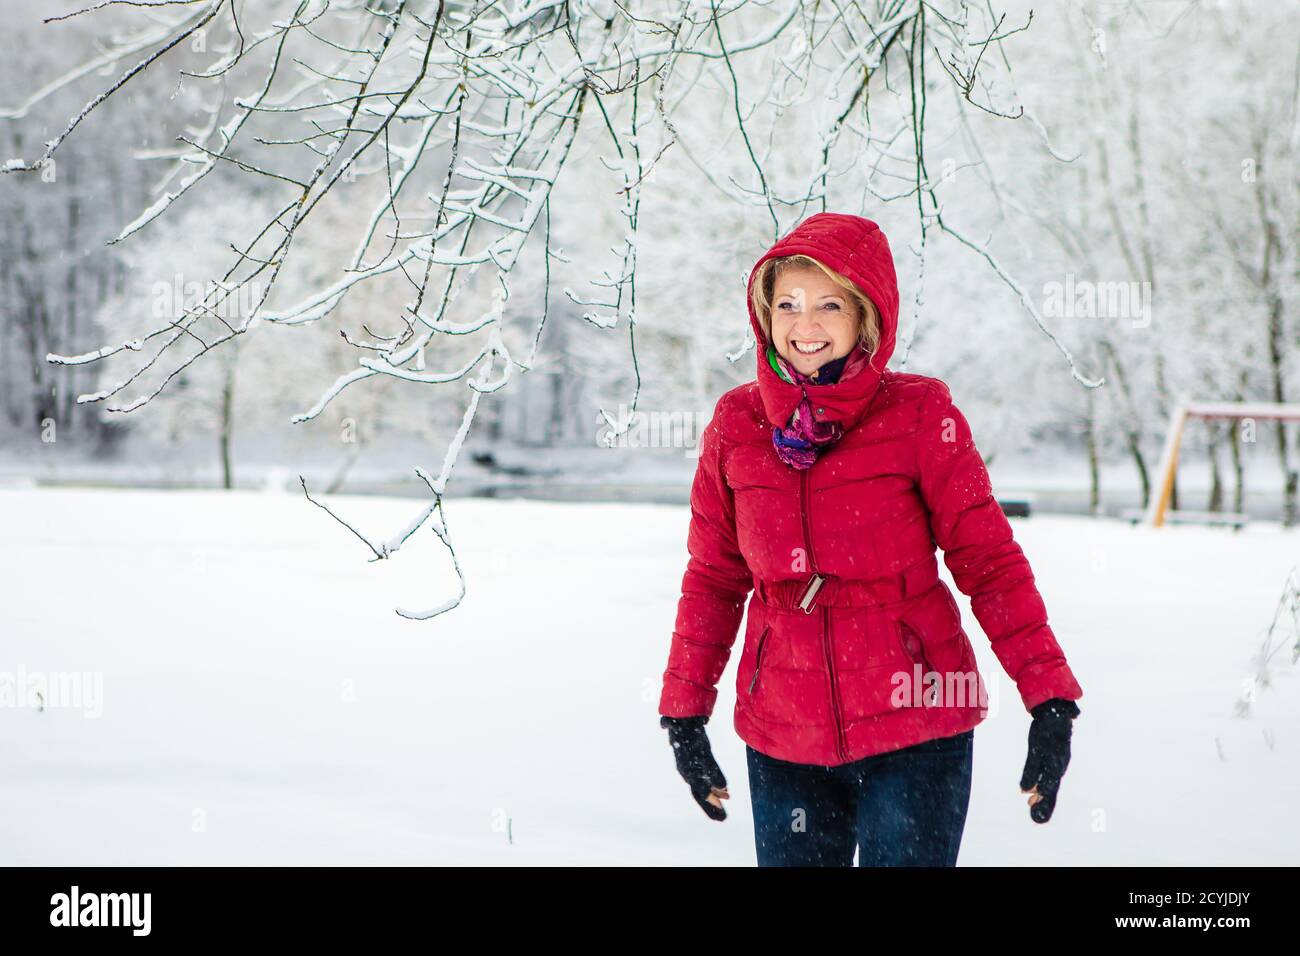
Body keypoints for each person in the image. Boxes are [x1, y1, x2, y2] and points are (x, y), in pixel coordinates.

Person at [657, 212, 1083, 866]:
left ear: (866, 316)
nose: (805, 325)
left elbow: (989, 562)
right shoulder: (735, 425)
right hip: (783, 730)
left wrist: (1048, 697)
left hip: (917, 724)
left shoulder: (919, 414)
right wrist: (684, 712)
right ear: (764, 314)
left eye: (829, 304)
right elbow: (714, 576)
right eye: (788, 304)